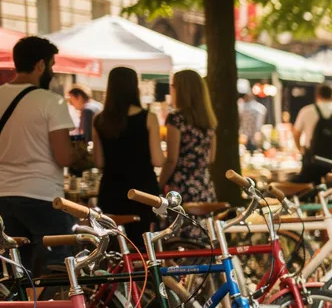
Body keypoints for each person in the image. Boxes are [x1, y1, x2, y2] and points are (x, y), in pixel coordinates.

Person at [0, 36, 78, 275]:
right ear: (41, 65)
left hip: (3, 195)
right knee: (58, 272)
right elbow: (64, 157)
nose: (52, 72)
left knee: (15, 274)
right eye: (52, 65)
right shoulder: (51, 102)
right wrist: (78, 154)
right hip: (42, 196)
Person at [93, 66, 162, 248]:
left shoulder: (99, 120)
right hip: (142, 192)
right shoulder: (148, 118)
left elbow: (99, 161)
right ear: (134, 87)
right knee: (143, 249)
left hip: (111, 191)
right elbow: (157, 160)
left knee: (113, 249)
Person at [160, 69, 217, 203]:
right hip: (204, 186)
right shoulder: (208, 120)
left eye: (173, 86)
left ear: (181, 90)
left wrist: (159, 184)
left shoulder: (176, 119)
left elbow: (171, 160)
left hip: (181, 188)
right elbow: (211, 158)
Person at [291, 85, 332, 182]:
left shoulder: (306, 111)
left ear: (317, 95)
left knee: (309, 188)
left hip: (311, 163)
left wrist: (301, 150)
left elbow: (296, 134)